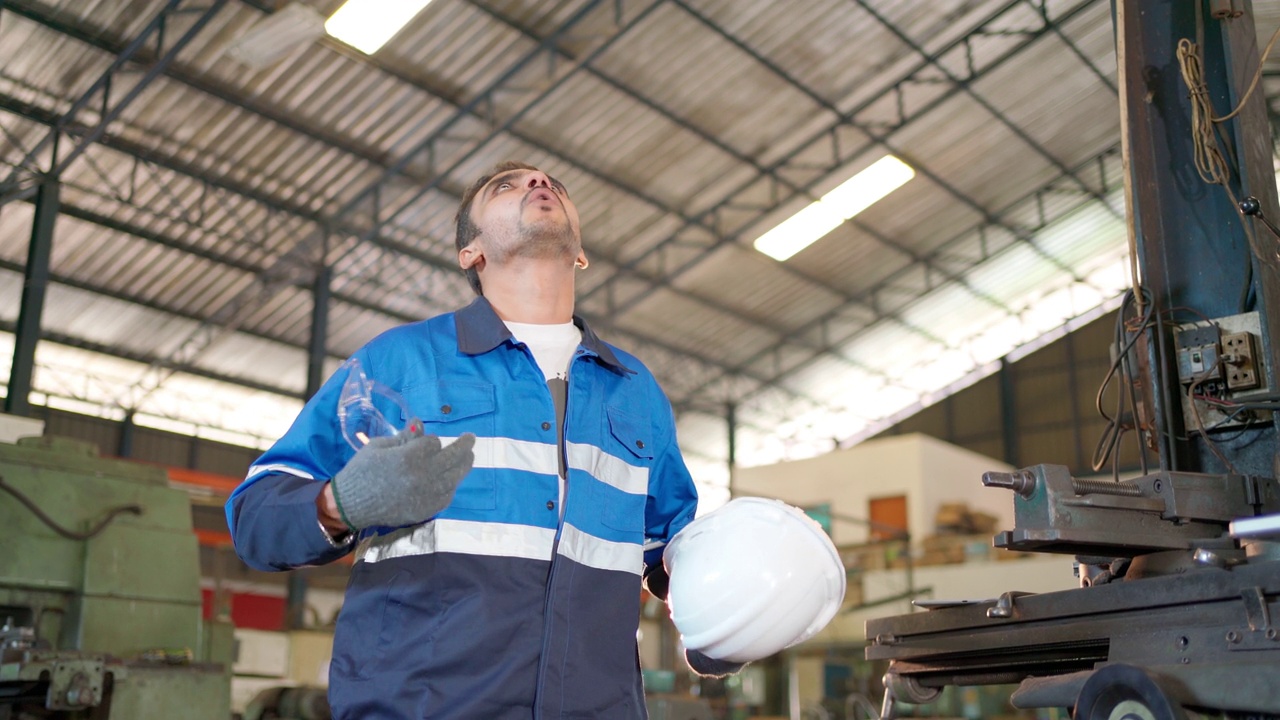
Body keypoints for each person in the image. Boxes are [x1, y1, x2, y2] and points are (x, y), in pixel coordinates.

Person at [226, 161, 739, 719]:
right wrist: (336, 504)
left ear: (581, 253)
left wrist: (736, 618)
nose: (539, 184)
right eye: (507, 186)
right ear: (471, 252)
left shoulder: (635, 392)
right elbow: (254, 518)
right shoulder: (399, 362)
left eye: (553, 185)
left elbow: (672, 556)